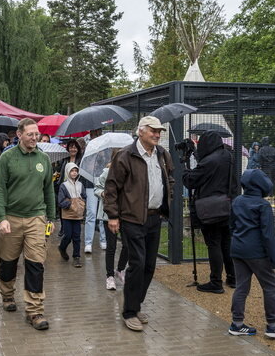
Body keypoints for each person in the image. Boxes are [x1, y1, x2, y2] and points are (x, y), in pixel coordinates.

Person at [104, 116, 174, 332]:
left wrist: (167, 198)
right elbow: (111, 187)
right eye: (153, 130)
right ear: (140, 131)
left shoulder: (162, 154)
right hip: (132, 219)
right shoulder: (126, 155)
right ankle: (129, 312)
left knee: (150, 266)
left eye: (159, 131)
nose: (157, 134)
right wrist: (113, 216)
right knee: (138, 263)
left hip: (154, 217)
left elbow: (169, 177)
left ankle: (135, 304)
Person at [0, 118, 56, 330]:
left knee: (36, 263)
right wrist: (1, 217)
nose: (34, 138)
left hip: (36, 218)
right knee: (8, 261)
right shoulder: (7, 158)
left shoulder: (44, 159)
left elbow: (48, 189)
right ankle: (7, 295)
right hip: (11, 217)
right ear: (19, 134)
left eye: (36, 134)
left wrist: (52, 217)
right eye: (30, 134)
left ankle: (35, 310)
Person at [227, 169, 275, 339]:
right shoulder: (262, 205)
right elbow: (268, 235)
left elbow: (231, 225)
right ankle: (272, 325)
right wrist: (273, 259)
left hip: (237, 249)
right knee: (271, 286)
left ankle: (237, 323)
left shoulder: (237, 201)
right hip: (256, 252)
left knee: (241, 287)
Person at [184, 131, 238, 294]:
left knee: (213, 244)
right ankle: (233, 277)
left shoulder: (209, 161)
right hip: (227, 206)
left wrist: (185, 167)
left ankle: (216, 282)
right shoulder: (228, 156)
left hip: (211, 210)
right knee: (226, 243)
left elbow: (191, 181)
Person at [96, 161, 127, 290]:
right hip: (108, 214)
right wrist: (103, 193)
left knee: (128, 244)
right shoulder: (107, 172)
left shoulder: (129, 173)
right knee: (111, 246)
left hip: (126, 213)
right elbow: (97, 188)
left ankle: (120, 269)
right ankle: (110, 276)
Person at [57, 162, 86, 267]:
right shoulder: (64, 186)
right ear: (67, 172)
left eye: (76, 171)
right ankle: (62, 247)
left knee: (77, 236)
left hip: (78, 215)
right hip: (67, 215)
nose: (74, 173)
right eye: (72, 171)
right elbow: (60, 201)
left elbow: (84, 196)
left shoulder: (80, 185)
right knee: (68, 235)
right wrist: (70, 203)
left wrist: (82, 204)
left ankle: (76, 257)